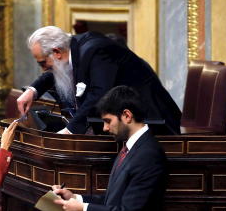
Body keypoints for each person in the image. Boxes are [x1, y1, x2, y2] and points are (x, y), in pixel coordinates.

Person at [52, 86, 169, 211]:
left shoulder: (148, 154)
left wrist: (83, 208)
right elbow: (113, 201)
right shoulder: (129, 148)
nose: (105, 128)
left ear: (127, 116)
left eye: (108, 121)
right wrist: (76, 198)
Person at [17, 26, 182, 135]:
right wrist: (33, 91)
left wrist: (70, 130)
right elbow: (55, 70)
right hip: (128, 120)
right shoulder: (71, 46)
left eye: (42, 63)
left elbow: (99, 95)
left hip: (153, 122)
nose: (44, 68)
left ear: (57, 52)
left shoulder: (96, 51)